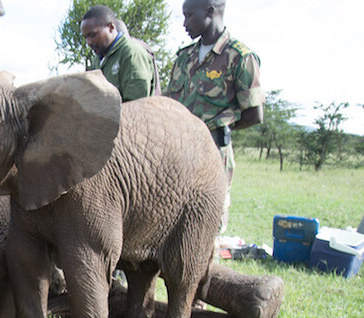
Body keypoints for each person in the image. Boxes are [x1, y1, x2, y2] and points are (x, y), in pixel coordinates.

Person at [165, 0, 263, 230]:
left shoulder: (240, 57)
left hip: (213, 153)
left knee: (207, 225)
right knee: (171, 220)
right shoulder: (184, 57)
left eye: (189, 16)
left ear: (210, 12)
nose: (184, 23)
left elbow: (254, 113)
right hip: (177, 153)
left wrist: (218, 126)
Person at [80, 5, 158, 101]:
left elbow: (136, 105)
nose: (89, 42)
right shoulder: (97, 60)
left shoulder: (131, 53)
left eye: (92, 35)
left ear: (111, 27)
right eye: (86, 37)